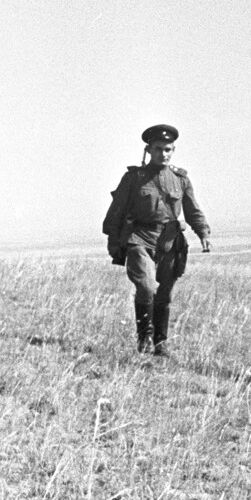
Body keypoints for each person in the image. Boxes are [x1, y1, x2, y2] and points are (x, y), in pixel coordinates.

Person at [102, 124, 211, 357]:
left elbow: (192, 209)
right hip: (139, 238)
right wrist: (113, 240)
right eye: (158, 149)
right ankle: (144, 339)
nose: (164, 153)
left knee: (165, 295)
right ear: (149, 150)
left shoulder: (180, 179)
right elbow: (117, 210)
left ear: (174, 150)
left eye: (168, 149)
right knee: (147, 287)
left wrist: (203, 233)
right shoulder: (134, 178)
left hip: (170, 241)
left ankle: (160, 345)